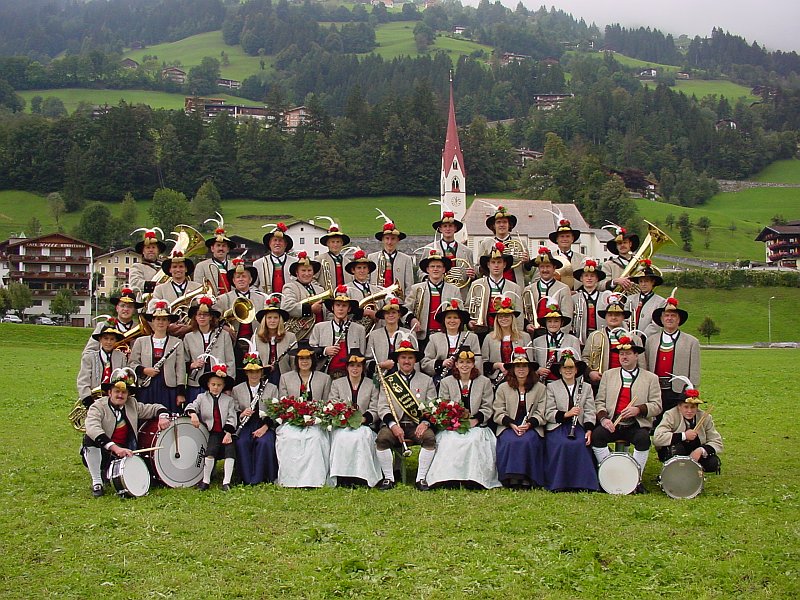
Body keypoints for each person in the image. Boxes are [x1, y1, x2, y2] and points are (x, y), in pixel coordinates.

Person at [82, 368, 170, 497]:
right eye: (117, 391)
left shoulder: (132, 404)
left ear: (128, 394)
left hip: (126, 451)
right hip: (104, 449)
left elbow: (153, 408)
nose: (120, 395)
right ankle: (97, 482)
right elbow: (92, 428)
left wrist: (163, 415)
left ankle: (108, 473)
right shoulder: (98, 406)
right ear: (109, 392)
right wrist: (115, 448)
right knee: (89, 439)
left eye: (124, 392)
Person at [591, 336, 662, 493]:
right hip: (613, 422)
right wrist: (603, 419)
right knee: (597, 436)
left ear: (636, 355)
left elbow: (657, 406)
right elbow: (599, 402)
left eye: (628, 353)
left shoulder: (651, 378)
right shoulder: (609, 375)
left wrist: (639, 409)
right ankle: (610, 474)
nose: (624, 357)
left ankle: (635, 479)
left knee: (643, 440)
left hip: (636, 424)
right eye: (621, 354)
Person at [426, 347, 501, 490]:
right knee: (449, 440)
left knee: (473, 440)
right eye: (461, 362)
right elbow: (443, 404)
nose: (464, 365)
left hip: (477, 424)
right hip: (454, 424)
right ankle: (448, 477)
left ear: (473, 364)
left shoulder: (484, 382)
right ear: (456, 364)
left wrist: (476, 419)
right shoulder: (447, 382)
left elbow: (488, 406)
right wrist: (453, 420)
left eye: (468, 362)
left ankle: (473, 478)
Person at [374, 340, 437, 490]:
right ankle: (389, 478)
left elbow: (432, 405)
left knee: (429, 438)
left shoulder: (426, 380)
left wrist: (425, 423)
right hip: (394, 424)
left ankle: (420, 478)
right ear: (397, 360)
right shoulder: (388, 381)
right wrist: (393, 425)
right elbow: (382, 407)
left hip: (417, 425)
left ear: (415, 360)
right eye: (403, 358)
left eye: (410, 358)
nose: (406, 361)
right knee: (382, 439)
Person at [275, 340, 333, 488]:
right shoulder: (285, 378)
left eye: (307, 358)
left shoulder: (324, 378)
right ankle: (291, 479)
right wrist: (296, 417)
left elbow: (327, 403)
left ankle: (314, 480)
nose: (304, 361)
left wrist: (316, 417)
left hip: (316, 420)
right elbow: (283, 403)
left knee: (316, 438)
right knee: (289, 438)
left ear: (312, 360)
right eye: (301, 358)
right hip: (293, 420)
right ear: (297, 360)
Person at [544, 348, 599, 492]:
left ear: (576, 370)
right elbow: (548, 412)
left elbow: (590, 410)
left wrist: (588, 429)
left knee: (581, 443)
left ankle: (582, 483)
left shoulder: (586, 387)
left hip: (578, 426)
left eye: (571, 368)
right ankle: (559, 483)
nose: (568, 371)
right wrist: (567, 414)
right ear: (560, 370)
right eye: (565, 368)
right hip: (558, 426)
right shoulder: (551, 387)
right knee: (562, 444)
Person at [493, 347, 547, 488]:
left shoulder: (540, 388)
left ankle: (527, 477)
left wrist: (529, 425)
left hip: (531, 426)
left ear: (530, 369)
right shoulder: (503, 388)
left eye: (524, 366)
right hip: (509, 425)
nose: (521, 370)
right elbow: (498, 411)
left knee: (528, 440)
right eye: (517, 366)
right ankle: (510, 478)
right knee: (510, 441)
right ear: (513, 369)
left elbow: (542, 412)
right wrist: (511, 424)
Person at [327, 350, 383, 487]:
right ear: (347, 367)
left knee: (361, 437)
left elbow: (375, 407)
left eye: (358, 366)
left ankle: (362, 476)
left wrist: (364, 419)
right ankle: (342, 477)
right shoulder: (337, 384)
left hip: (364, 425)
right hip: (342, 425)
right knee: (341, 437)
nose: (355, 369)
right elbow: (332, 404)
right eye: (352, 365)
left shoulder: (372, 384)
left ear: (363, 367)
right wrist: (342, 418)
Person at [645, 291, 700, 426]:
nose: (669, 318)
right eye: (666, 316)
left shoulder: (691, 342)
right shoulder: (651, 341)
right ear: (662, 319)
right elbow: (646, 365)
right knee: (655, 421)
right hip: (656, 389)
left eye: (673, 316)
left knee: (676, 422)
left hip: (678, 390)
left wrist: (691, 390)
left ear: (679, 319)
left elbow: (694, 370)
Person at [185, 363, 238, 491]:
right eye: (213, 384)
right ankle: (206, 480)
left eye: (219, 385)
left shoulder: (228, 400)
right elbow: (192, 406)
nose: (216, 387)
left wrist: (229, 433)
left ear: (223, 386)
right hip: (213, 432)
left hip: (226, 432)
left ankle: (226, 482)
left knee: (230, 452)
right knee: (210, 452)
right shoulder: (202, 398)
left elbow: (232, 417)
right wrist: (193, 414)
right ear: (208, 384)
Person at [231, 345, 279, 485]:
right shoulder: (237, 389)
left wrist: (265, 427)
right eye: (251, 372)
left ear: (261, 372)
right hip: (245, 424)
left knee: (264, 442)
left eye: (257, 371)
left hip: (265, 423)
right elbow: (233, 409)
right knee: (242, 442)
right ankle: (246, 478)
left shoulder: (271, 388)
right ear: (246, 373)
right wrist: (241, 413)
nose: (254, 375)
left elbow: (275, 411)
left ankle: (263, 477)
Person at [129, 300, 186, 413]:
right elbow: (132, 363)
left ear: (169, 322)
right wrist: (144, 370)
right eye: (158, 319)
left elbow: (180, 369)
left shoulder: (177, 342)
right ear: (152, 321)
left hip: (169, 388)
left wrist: (180, 393)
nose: (161, 322)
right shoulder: (141, 341)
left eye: (164, 319)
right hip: (147, 387)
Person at [216, 255, 267, 382]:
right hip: (234, 344)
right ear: (233, 281)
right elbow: (214, 319)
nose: (241, 279)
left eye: (244, 276)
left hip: (255, 343)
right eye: (237, 277)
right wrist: (225, 327)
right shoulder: (224, 299)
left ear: (250, 280)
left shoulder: (261, 299)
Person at [653, 382, 722, 474]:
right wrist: (684, 435)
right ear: (679, 406)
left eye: (693, 407)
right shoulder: (670, 415)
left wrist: (701, 450)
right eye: (686, 407)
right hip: (674, 450)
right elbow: (657, 438)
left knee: (713, 462)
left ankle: (692, 472)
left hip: (695, 450)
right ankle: (676, 471)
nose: (689, 411)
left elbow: (716, 441)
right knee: (676, 449)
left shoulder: (705, 417)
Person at [582, 294, 645, 390]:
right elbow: (585, 358)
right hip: (601, 381)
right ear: (605, 317)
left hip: (629, 382)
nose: (613, 317)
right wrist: (590, 372)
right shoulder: (595, 336)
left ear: (623, 317)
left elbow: (642, 364)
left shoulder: (635, 339)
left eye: (617, 315)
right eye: (610, 315)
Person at [182, 295, 235, 403]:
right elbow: (183, 362)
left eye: (205, 315)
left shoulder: (223, 335)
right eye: (199, 315)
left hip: (218, 384)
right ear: (195, 317)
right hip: (196, 384)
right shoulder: (188, 337)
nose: (202, 317)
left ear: (211, 317)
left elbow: (230, 362)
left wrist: (228, 387)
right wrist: (193, 365)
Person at [421, 298, 482, 390]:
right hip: (441, 379)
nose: (452, 321)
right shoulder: (434, 338)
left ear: (460, 320)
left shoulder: (471, 337)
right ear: (444, 321)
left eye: (455, 317)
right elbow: (425, 362)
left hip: (466, 379)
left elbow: (478, 361)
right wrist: (441, 363)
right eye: (449, 318)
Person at [404, 249, 460, 348]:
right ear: (427, 270)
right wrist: (412, 319)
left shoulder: (454, 290)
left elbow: (460, 312)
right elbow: (406, 310)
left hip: (445, 335)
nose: (435, 269)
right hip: (422, 336)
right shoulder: (416, 288)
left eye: (439, 266)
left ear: (444, 270)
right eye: (432, 266)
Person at [310, 285, 366, 379]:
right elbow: (310, 351)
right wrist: (324, 350)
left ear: (349, 309)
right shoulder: (319, 327)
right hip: (325, 374)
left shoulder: (359, 329)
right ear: (332, 308)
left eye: (344, 306)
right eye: (338, 305)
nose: (341, 309)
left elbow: (362, 354)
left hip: (350, 376)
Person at [467, 242, 523, 333]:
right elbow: (467, 308)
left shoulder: (515, 287)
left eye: (499, 262)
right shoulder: (477, 285)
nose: (496, 265)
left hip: (507, 332)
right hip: (482, 331)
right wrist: (469, 322)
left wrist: (519, 333)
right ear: (488, 265)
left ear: (504, 265)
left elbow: (519, 315)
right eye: (493, 262)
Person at [481, 295, 531, 390]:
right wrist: (498, 365)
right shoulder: (489, 338)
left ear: (512, 318)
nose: (504, 319)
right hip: (497, 379)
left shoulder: (524, 337)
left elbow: (530, 361)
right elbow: (484, 363)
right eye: (500, 317)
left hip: (520, 379)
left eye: (507, 316)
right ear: (497, 320)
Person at [523, 248, 573, 338]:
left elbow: (567, 316)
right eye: (542, 267)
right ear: (538, 268)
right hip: (533, 333)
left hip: (556, 334)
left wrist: (559, 335)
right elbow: (524, 313)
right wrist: (527, 325)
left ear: (554, 268)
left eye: (548, 266)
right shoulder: (529, 289)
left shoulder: (563, 289)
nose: (545, 270)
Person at [77, 321, 128, 410]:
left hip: (114, 399)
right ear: (100, 339)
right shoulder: (89, 357)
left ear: (116, 341)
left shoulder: (121, 357)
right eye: (106, 338)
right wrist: (87, 399)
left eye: (112, 339)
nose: (109, 342)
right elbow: (83, 381)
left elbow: (123, 380)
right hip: (94, 400)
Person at [151, 252, 202, 337]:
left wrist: (190, 326)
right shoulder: (160, 289)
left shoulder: (198, 287)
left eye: (181, 266)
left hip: (193, 332)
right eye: (174, 267)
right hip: (168, 333)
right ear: (170, 270)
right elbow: (155, 312)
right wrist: (168, 326)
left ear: (186, 269)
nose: (178, 270)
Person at [476, 204, 528, 285]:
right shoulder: (485, 244)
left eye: (505, 222)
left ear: (509, 225)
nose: (501, 225)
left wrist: (526, 262)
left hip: (514, 284)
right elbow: (477, 269)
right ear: (493, 226)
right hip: (492, 285)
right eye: (498, 222)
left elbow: (527, 271)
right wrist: (485, 263)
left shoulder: (521, 244)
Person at [365, 296, 418, 377]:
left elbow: (416, 360)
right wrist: (380, 365)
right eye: (387, 313)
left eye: (394, 312)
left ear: (399, 315)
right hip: (381, 377)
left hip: (404, 377)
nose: (391, 315)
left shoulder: (410, 334)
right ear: (383, 316)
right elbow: (368, 360)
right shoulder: (374, 335)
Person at [281, 251, 327, 340]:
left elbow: (328, 312)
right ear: (297, 273)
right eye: (303, 270)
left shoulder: (320, 289)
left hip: (321, 335)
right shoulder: (290, 287)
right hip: (303, 335)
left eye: (309, 270)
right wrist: (310, 309)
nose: (307, 273)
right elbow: (287, 306)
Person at [430, 206, 475, 299]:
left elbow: (472, 273)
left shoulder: (467, 251)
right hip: (436, 293)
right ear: (440, 229)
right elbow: (421, 272)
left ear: (455, 228)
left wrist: (472, 275)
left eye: (451, 226)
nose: (448, 229)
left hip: (461, 294)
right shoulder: (430, 249)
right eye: (445, 226)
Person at [369, 212, 415, 300]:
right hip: (377, 302)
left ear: (398, 240)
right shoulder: (372, 258)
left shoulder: (406, 259)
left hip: (398, 303)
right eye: (387, 238)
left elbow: (409, 287)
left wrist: (406, 306)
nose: (389, 242)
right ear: (382, 239)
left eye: (393, 239)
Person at [83, 288, 143, 353]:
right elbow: (88, 352)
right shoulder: (102, 326)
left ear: (134, 310)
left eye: (129, 307)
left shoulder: (140, 329)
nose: (125, 309)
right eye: (122, 306)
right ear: (117, 308)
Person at [254, 296, 297, 387]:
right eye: (269, 318)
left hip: (285, 376)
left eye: (275, 318)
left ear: (280, 320)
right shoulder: (256, 338)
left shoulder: (290, 337)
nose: (272, 321)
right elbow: (253, 362)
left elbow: (294, 362)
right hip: (263, 377)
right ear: (264, 320)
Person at [533, 303, 580, 384]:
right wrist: (538, 369)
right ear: (545, 323)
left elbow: (577, 365)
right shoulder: (537, 341)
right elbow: (533, 362)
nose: (552, 324)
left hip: (564, 382)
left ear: (561, 323)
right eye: (549, 321)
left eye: (556, 321)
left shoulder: (573, 340)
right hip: (543, 382)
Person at [192, 213, 234, 296]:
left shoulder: (234, 266)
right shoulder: (201, 266)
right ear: (212, 248)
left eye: (224, 246)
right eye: (218, 245)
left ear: (228, 249)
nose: (221, 249)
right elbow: (198, 289)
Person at [571, 259, 609, 347]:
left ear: (597, 279)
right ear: (581, 279)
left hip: (601, 338)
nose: (589, 278)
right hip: (580, 339)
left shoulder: (605, 297)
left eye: (592, 276)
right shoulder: (574, 299)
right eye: (586, 276)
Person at [626, 259, 666, 339]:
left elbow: (656, 324)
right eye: (641, 281)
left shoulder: (661, 302)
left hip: (649, 338)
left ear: (653, 282)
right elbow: (625, 317)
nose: (643, 284)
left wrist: (642, 337)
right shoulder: (630, 299)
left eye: (646, 281)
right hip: (629, 337)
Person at [544, 212, 584, 291]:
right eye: (562, 236)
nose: (565, 239)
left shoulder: (582, 259)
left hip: (576, 295)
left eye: (568, 236)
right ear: (557, 239)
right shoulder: (548, 258)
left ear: (572, 239)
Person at [254, 222, 297, 295]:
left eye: (280, 241)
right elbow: (253, 286)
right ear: (269, 244)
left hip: (289, 303)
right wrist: (261, 297)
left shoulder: (295, 262)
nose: (277, 243)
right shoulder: (258, 264)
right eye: (275, 240)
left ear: (285, 244)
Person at [345, 250, 381, 333]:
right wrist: (366, 312)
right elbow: (344, 309)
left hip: (375, 330)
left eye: (365, 268)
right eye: (359, 268)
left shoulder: (377, 290)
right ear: (353, 270)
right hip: (353, 331)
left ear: (368, 270)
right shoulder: (346, 289)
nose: (362, 271)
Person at [128, 227, 167, 302]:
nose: (151, 250)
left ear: (158, 251)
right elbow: (135, 283)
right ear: (143, 251)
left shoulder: (165, 266)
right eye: (148, 248)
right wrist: (154, 285)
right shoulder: (137, 266)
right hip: (146, 305)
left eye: (153, 247)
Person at [601, 224, 640, 293]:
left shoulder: (639, 263)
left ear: (630, 244)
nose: (622, 245)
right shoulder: (608, 265)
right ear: (616, 246)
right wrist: (615, 281)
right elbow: (600, 285)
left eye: (625, 242)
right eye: (619, 243)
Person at [316, 217, 352, 290]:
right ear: (327, 244)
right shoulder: (320, 259)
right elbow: (312, 279)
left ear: (342, 244)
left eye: (338, 242)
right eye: (332, 242)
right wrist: (321, 291)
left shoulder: (347, 262)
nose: (335, 245)